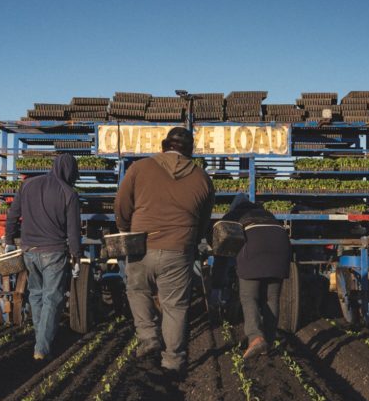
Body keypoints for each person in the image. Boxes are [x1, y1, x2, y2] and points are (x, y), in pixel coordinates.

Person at [115, 127, 214, 377]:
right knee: (175, 307)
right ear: (190, 150)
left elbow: (122, 205)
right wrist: (192, 241)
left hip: (141, 246)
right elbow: (204, 221)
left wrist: (126, 230)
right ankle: (173, 362)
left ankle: (148, 337)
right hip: (179, 250)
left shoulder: (139, 168)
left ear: (163, 146)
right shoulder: (203, 178)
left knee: (137, 290)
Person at [5, 154, 82, 361]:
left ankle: (41, 340)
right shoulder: (69, 194)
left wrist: (9, 241)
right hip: (53, 253)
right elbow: (74, 231)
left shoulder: (28, 186)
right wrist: (76, 256)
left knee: (36, 295)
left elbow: (12, 215)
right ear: (70, 171)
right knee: (52, 298)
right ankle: (42, 347)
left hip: (29, 251)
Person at [219, 194, 291, 358]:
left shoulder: (233, 216)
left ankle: (256, 338)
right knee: (271, 298)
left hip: (254, 250)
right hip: (281, 248)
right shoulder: (267, 213)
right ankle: (269, 342)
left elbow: (220, 249)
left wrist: (217, 282)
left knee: (248, 296)